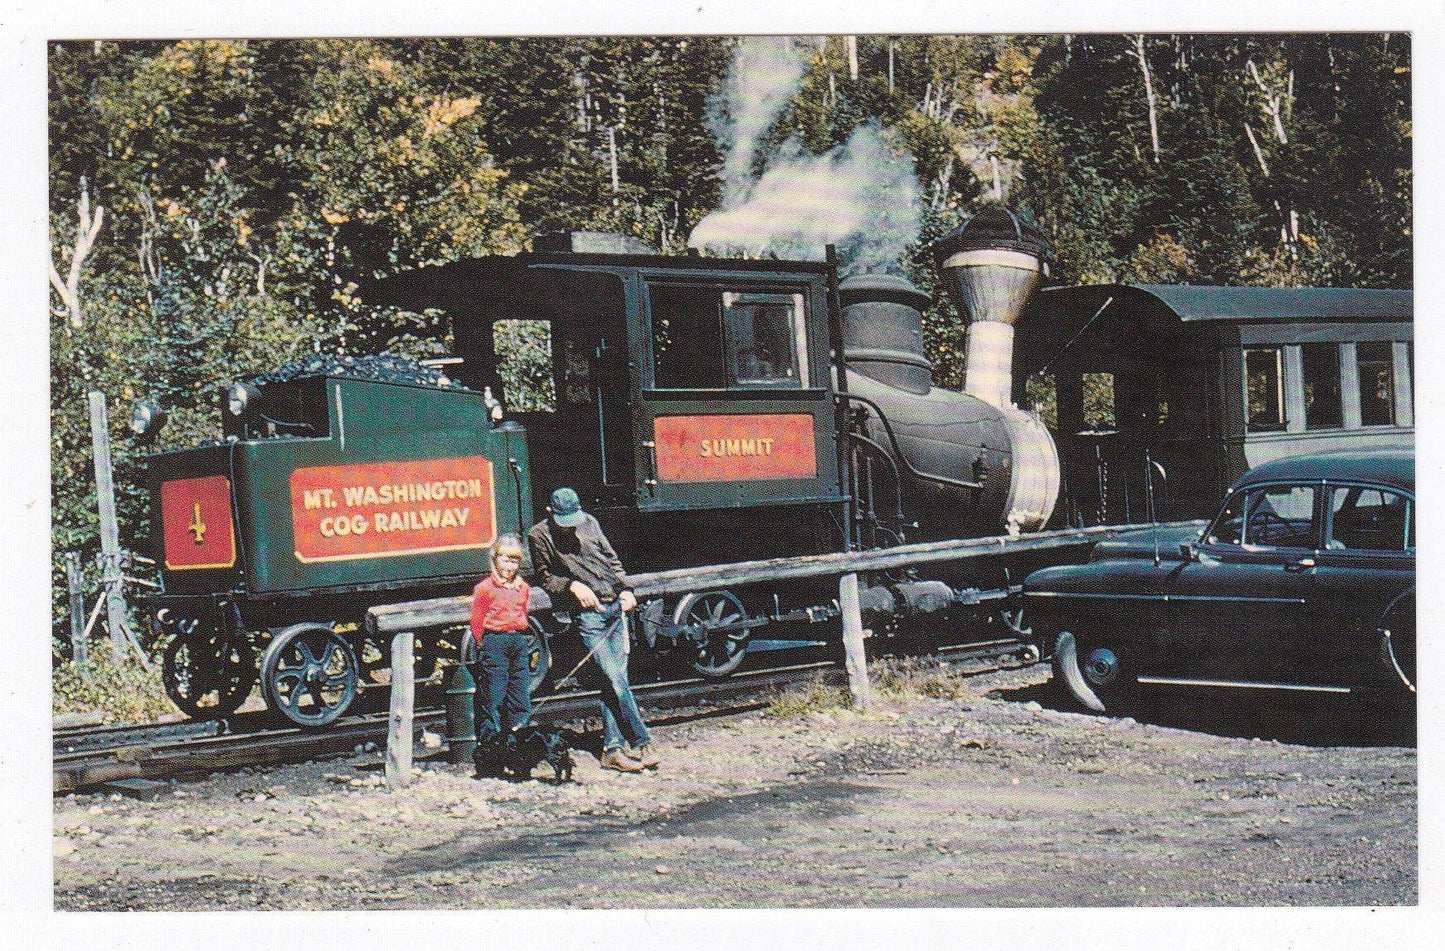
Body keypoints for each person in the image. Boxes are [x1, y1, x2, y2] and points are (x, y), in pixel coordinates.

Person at [528, 487, 657, 773]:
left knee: (615, 681)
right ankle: (642, 741)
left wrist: (627, 589)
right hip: (589, 616)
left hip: (615, 608)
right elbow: (545, 577)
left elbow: (612, 561)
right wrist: (571, 585)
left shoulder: (590, 522)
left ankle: (612, 750)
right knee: (614, 678)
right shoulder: (539, 535)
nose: (571, 527)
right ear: (549, 512)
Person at [466, 534, 535, 779]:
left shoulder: (523, 588)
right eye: (506, 560)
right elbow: (476, 621)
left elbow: (524, 612)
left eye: (515, 561)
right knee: (494, 698)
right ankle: (491, 756)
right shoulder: (485, 588)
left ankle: (520, 755)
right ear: (495, 559)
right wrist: (483, 644)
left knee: (520, 697)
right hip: (494, 642)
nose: (510, 566)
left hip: (518, 642)